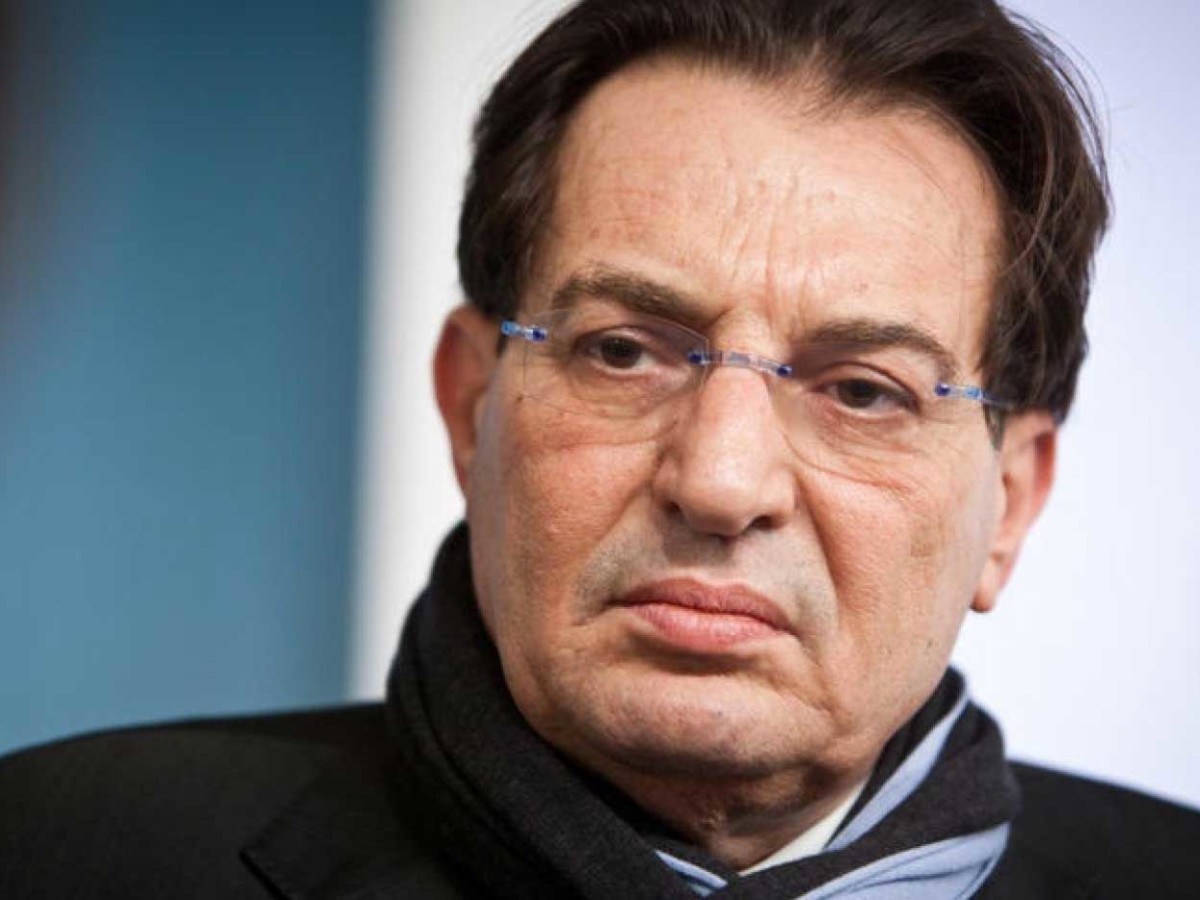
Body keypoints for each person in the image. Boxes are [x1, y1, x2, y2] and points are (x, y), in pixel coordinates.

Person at [2, 0, 1198, 896]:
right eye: (625, 352)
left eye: (861, 390)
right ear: (471, 403)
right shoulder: (59, 854)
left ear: (1011, 503)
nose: (721, 481)